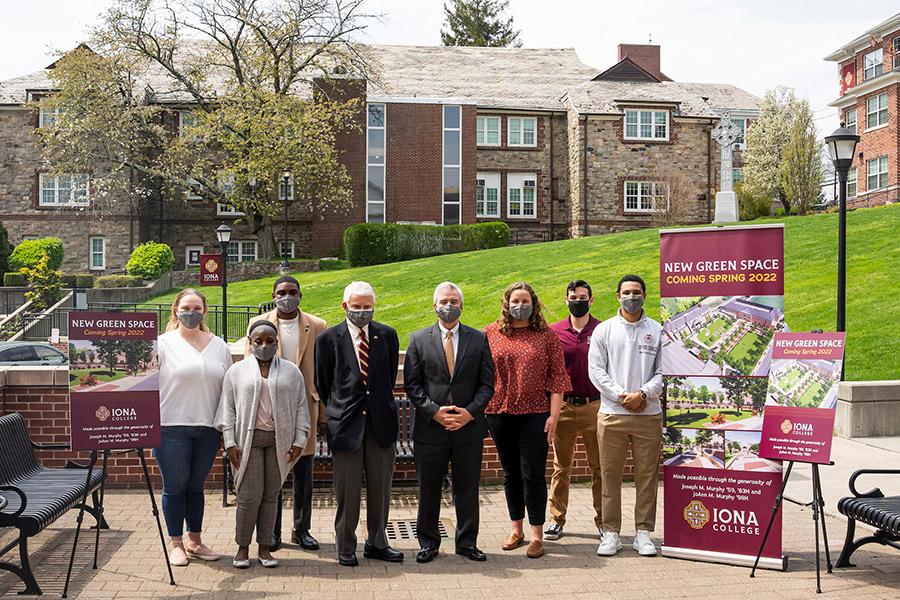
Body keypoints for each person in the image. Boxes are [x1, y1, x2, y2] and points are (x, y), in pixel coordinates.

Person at [404, 282, 495, 564]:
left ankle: (467, 543)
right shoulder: (418, 339)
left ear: (462, 306)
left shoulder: (478, 339)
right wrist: (434, 412)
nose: (449, 305)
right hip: (431, 429)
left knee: (467, 489)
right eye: (444, 301)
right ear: (435, 306)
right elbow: (413, 384)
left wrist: (469, 413)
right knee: (428, 489)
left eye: (454, 301)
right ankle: (428, 543)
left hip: (468, 429)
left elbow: (487, 384)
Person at [315, 281, 403, 566]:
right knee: (347, 491)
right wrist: (340, 409)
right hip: (346, 425)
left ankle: (377, 542)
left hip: (381, 424)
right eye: (357, 307)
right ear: (345, 306)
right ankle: (345, 545)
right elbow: (323, 383)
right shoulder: (328, 340)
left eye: (368, 307)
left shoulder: (387, 335)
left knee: (381, 489)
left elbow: (389, 376)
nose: (362, 312)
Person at [484, 282, 571, 559]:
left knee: (532, 473)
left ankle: (536, 535)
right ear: (506, 304)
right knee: (511, 473)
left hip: (536, 414)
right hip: (500, 413)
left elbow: (557, 378)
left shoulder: (546, 336)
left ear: (534, 304)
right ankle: (516, 529)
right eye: (515, 301)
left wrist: (554, 416)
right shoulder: (490, 333)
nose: (520, 305)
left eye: (525, 301)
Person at [217, 320, 311, 569]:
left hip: (279, 441)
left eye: (270, 341)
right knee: (249, 496)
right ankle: (242, 547)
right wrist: (230, 442)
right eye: (258, 341)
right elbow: (228, 409)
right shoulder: (236, 372)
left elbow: (301, 407)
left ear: (277, 343)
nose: (264, 345)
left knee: (271, 496)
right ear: (250, 343)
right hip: (248, 441)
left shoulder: (291, 371)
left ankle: (265, 548)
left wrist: (300, 439)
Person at [245, 275, 327, 551]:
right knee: (274, 476)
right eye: (281, 292)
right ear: (273, 295)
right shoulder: (258, 324)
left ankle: (301, 530)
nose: (287, 297)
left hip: (306, 408)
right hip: (269, 410)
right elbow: (248, 369)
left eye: (292, 292)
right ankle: (273, 531)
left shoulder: (317, 325)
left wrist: (323, 413)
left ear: (300, 295)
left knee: (304, 474)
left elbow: (323, 373)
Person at [155, 288, 232, 566]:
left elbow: (228, 388)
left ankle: (195, 542)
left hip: (208, 428)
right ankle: (176, 544)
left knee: (196, 487)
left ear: (204, 311)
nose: (191, 313)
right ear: (175, 310)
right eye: (186, 308)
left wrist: (226, 427)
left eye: (197, 308)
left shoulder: (219, 346)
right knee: (175, 486)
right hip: (170, 426)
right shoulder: (161, 344)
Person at [588, 274, 663, 557]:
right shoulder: (604, 330)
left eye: (637, 292)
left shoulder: (658, 331)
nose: (632, 297)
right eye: (627, 292)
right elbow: (596, 370)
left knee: (647, 475)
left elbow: (664, 372)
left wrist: (643, 394)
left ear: (645, 295)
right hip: (612, 413)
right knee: (609, 475)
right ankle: (611, 533)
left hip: (648, 413)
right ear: (618, 296)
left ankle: (643, 533)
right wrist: (622, 395)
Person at [545, 280, 604, 541]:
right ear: (566, 299)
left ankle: (604, 521)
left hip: (595, 406)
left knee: (600, 468)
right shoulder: (554, 331)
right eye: (573, 297)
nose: (577, 301)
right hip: (565, 406)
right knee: (561, 467)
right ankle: (556, 519)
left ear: (591, 300)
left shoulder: (602, 330)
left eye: (582, 297)